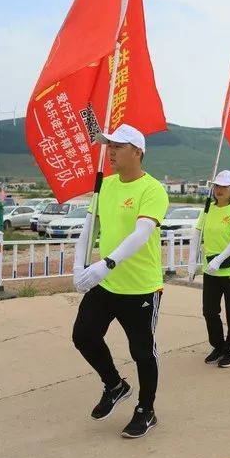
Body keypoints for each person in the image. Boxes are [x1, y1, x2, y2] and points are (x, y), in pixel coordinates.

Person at [71, 124, 169, 439]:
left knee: (142, 350)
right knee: (84, 335)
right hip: (106, 283)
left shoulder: (152, 189)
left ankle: (146, 409)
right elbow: (88, 228)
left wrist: (107, 263)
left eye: (118, 146)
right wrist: (78, 267)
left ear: (138, 152)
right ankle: (114, 384)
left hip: (140, 286)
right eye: (109, 145)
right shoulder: (106, 186)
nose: (111, 151)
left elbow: (142, 233)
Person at [189, 170, 230, 369]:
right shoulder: (208, 209)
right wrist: (192, 263)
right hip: (210, 269)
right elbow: (197, 234)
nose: (219, 190)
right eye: (217, 186)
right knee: (210, 311)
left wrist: (220, 259)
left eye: (224, 186)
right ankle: (218, 346)